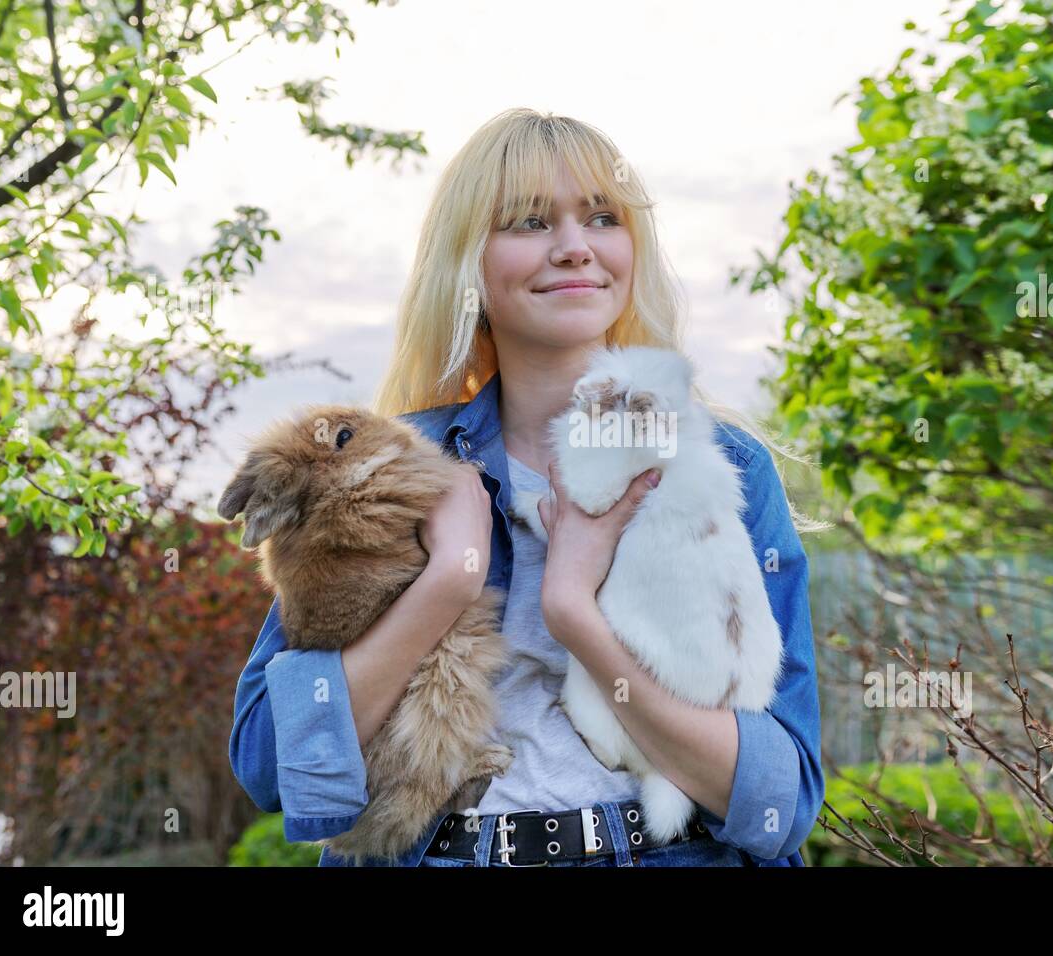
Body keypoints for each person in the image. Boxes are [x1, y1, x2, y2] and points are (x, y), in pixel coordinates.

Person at [229, 108, 827, 867]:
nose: (575, 247)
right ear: (469, 261)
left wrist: (574, 613)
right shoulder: (385, 465)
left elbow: (781, 802)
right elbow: (267, 762)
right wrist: (449, 580)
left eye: (603, 217)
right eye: (529, 222)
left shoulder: (723, 464)